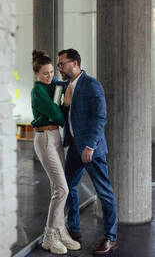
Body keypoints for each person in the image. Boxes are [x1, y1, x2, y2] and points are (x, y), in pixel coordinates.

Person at [57, 48, 118, 255]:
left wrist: (90, 146)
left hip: (91, 149)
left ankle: (111, 238)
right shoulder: (66, 86)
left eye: (61, 64)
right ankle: (74, 228)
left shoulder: (92, 85)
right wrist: (64, 105)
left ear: (74, 63)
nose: (60, 68)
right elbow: (69, 114)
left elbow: (100, 117)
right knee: (68, 187)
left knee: (104, 193)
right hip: (74, 147)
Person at [31, 50, 80, 255]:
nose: (49, 76)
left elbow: (60, 91)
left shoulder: (51, 86)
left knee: (57, 188)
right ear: (36, 74)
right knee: (63, 189)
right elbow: (57, 114)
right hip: (44, 139)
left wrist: (64, 93)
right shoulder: (38, 91)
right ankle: (49, 235)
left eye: (51, 72)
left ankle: (60, 230)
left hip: (55, 138)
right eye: (44, 73)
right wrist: (65, 104)